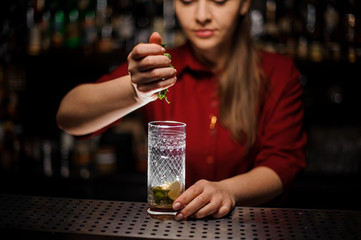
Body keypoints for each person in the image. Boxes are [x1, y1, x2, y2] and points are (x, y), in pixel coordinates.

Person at [56, 0, 307, 220]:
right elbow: (68, 117)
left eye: (219, 0)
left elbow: (281, 164)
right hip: (171, 226)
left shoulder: (279, 73)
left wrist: (229, 191)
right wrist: (135, 90)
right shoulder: (160, 68)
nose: (201, 15)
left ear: (244, 4)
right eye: (187, 1)